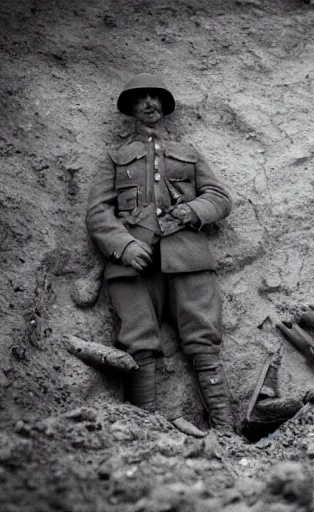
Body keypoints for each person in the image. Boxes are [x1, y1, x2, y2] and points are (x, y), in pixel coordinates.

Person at [86, 73, 235, 436]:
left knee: (203, 338)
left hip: (187, 256)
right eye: (141, 98)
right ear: (131, 108)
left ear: (165, 108)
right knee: (138, 340)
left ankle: (228, 431)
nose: (150, 103)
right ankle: (147, 432)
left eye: (156, 97)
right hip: (133, 264)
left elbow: (220, 198)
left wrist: (191, 211)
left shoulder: (189, 153)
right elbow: (98, 213)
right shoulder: (114, 158)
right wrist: (123, 245)